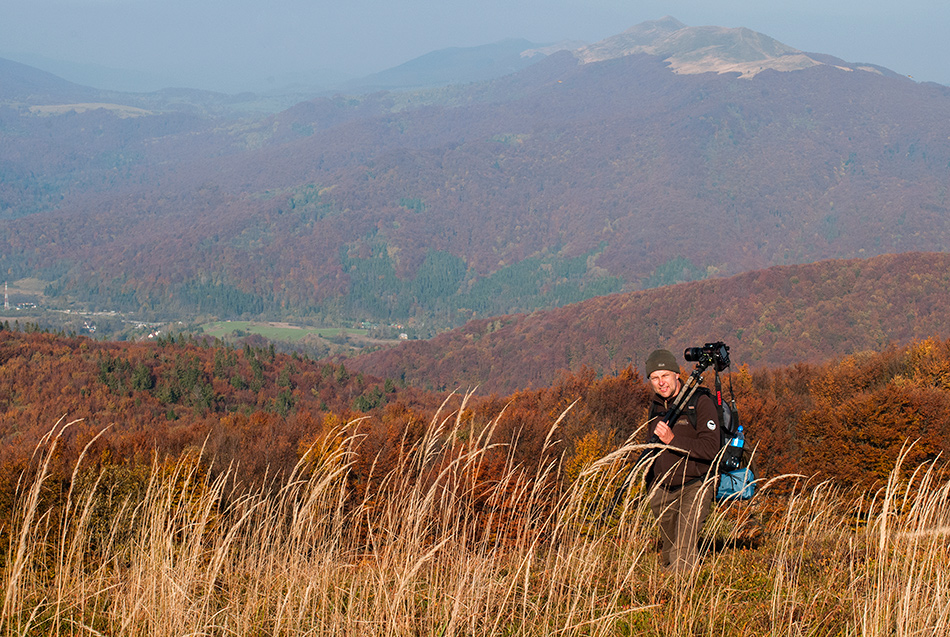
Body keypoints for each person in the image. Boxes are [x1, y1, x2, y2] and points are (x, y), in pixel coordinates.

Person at [644, 348, 720, 573]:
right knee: (668, 554)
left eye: (665, 376)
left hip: (695, 484)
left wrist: (673, 440)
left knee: (682, 555)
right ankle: (667, 598)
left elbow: (710, 448)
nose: (661, 383)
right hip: (663, 489)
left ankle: (680, 601)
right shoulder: (656, 406)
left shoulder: (700, 401)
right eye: (655, 378)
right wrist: (651, 485)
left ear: (677, 374)